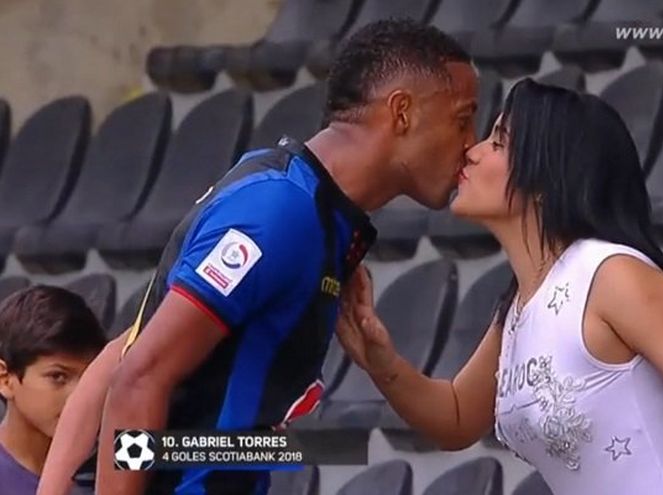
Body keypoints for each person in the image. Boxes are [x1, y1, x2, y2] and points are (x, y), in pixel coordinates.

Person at [37, 19, 478, 495]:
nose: (471, 143)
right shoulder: (280, 211)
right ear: (402, 112)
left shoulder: (311, 209)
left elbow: (126, 352)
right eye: (462, 119)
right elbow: (139, 376)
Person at [335, 80, 663, 495]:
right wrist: (382, 363)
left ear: (546, 178)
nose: (473, 151)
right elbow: (457, 418)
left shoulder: (612, 276)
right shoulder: (519, 307)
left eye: (498, 142)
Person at [0, 286, 106, 495]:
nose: (78, 396)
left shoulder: (119, 455)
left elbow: (174, 450)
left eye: (88, 379)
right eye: (58, 377)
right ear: (5, 380)